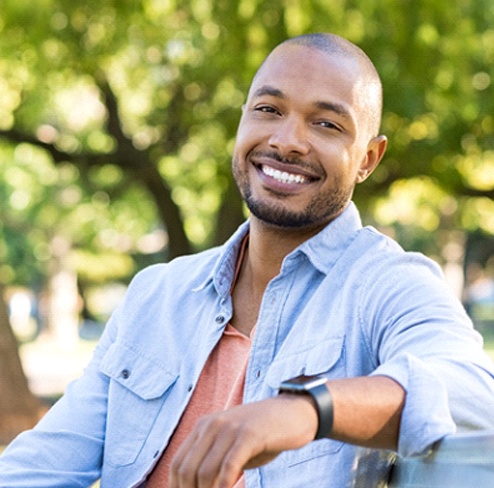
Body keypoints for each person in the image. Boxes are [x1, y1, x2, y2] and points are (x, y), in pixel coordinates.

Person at [1, 32, 494, 488]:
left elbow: (470, 394)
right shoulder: (158, 293)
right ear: (242, 120)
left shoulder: (387, 285)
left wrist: (306, 410)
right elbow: (41, 465)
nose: (287, 141)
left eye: (326, 123)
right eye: (268, 109)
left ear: (368, 158)